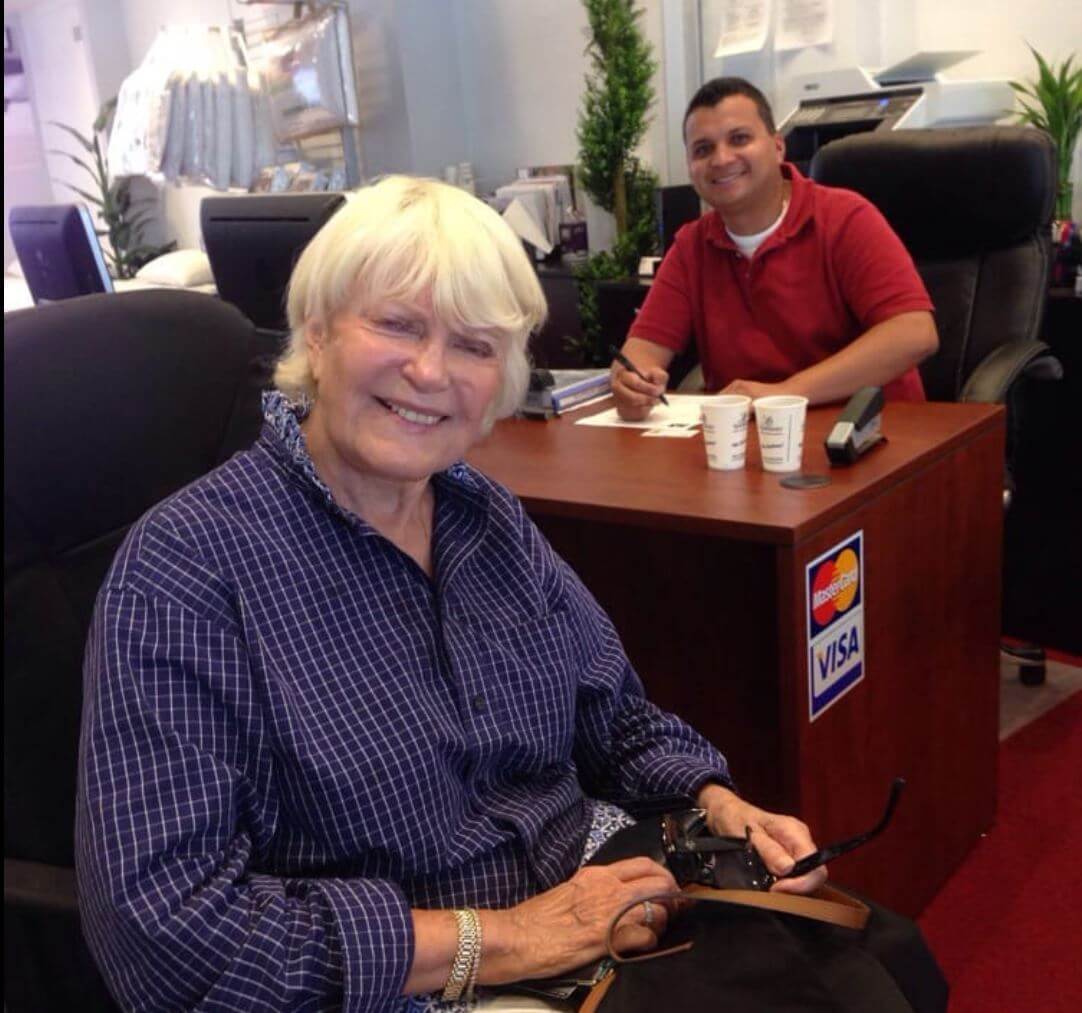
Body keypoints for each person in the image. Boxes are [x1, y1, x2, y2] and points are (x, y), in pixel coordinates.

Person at [76, 176, 827, 1013]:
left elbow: (612, 717)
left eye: (474, 345)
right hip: (418, 987)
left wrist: (716, 800)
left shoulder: (485, 517)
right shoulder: (189, 568)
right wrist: (503, 940)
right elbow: (168, 936)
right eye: (396, 324)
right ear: (317, 334)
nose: (431, 370)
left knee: (861, 966)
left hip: (597, 909)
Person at [612, 77, 939, 421]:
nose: (721, 159)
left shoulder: (844, 218)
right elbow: (639, 355)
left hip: (870, 433)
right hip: (753, 446)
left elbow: (915, 333)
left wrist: (785, 394)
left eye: (739, 139)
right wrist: (632, 385)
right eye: (703, 149)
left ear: (778, 147)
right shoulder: (692, 247)